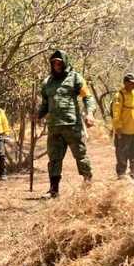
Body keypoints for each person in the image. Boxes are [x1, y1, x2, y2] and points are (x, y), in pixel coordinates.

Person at [33, 50, 96, 198]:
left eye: (59, 63)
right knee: (54, 158)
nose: (57, 66)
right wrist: (37, 114)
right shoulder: (47, 82)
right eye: (54, 63)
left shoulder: (75, 78)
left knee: (80, 156)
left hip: (72, 125)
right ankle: (53, 190)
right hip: (54, 127)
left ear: (65, 63)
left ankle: (88, 184)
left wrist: (90, 113)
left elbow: (88, 97)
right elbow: (45, 104)